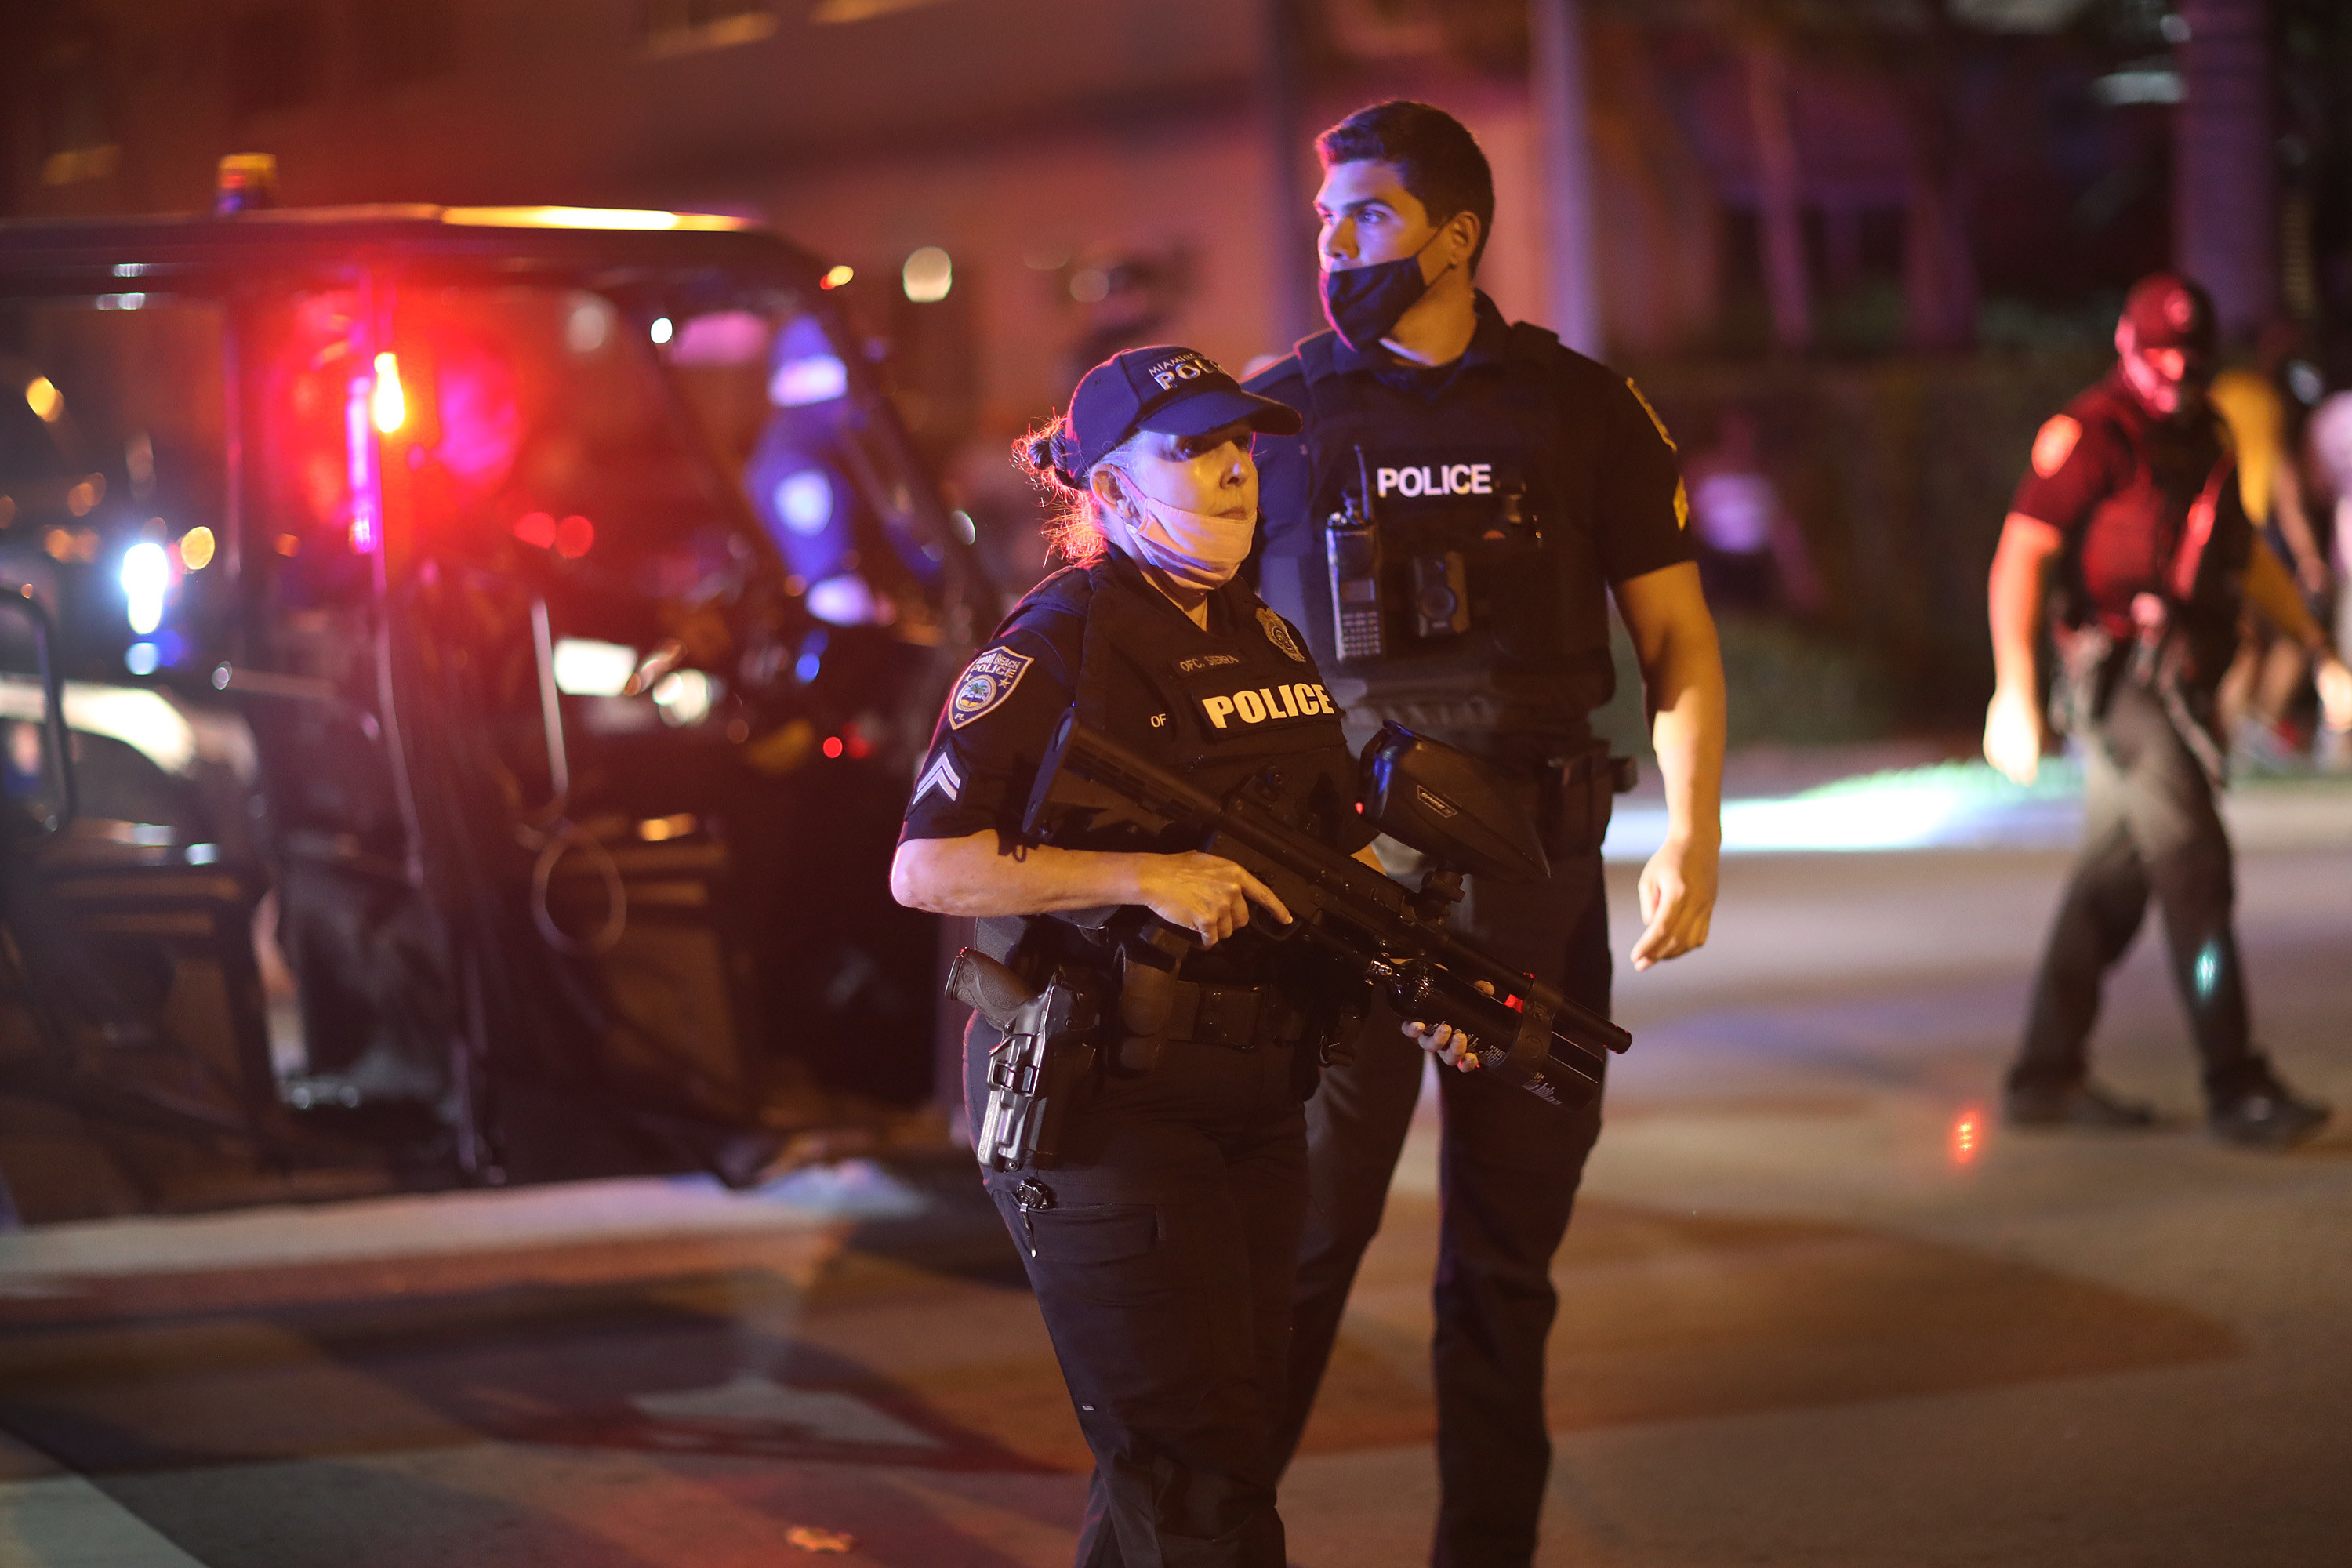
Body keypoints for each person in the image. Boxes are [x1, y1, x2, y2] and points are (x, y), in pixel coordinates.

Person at [1243, 101, 1726, 1567]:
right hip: (1339, 894)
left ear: (1457, 237)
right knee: (1303, 1248)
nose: (1335, 243)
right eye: (1326, 219)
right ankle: (1195, 1538)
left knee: (1504, 1269)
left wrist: (1692, 835)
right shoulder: (1271, 414)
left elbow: (1681, 647)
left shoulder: (1585, 411)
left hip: (1536, 879)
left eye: (1368, 217)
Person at [890, 344, 1442, 1568]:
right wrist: (1143, 878)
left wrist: (1422, 978)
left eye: (1240, 444)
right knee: (1202, 1480)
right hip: (1106, 1109)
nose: (1234, 470)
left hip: (1251, 1100)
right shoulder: (1054, 646)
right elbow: (928, 867)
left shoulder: (1267, 638)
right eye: (1192, 448)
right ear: (1114, 491)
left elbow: (1324, 863)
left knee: (1201, 1454)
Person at [1983, 272, 2352, 1148]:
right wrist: (2014, 689)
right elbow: (2020, 558)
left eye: (2192, 364)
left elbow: (2243, 557)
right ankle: (2237, 1082)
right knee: (2196, 865)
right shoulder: (2092, 434)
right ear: (2125, 346)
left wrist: (2320, 650)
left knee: (2112, 885)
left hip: (2179, 680)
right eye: (2161, 362)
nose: (2176, 380)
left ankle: (2045, 1073)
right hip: (2118, 686)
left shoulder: (2208, 434)